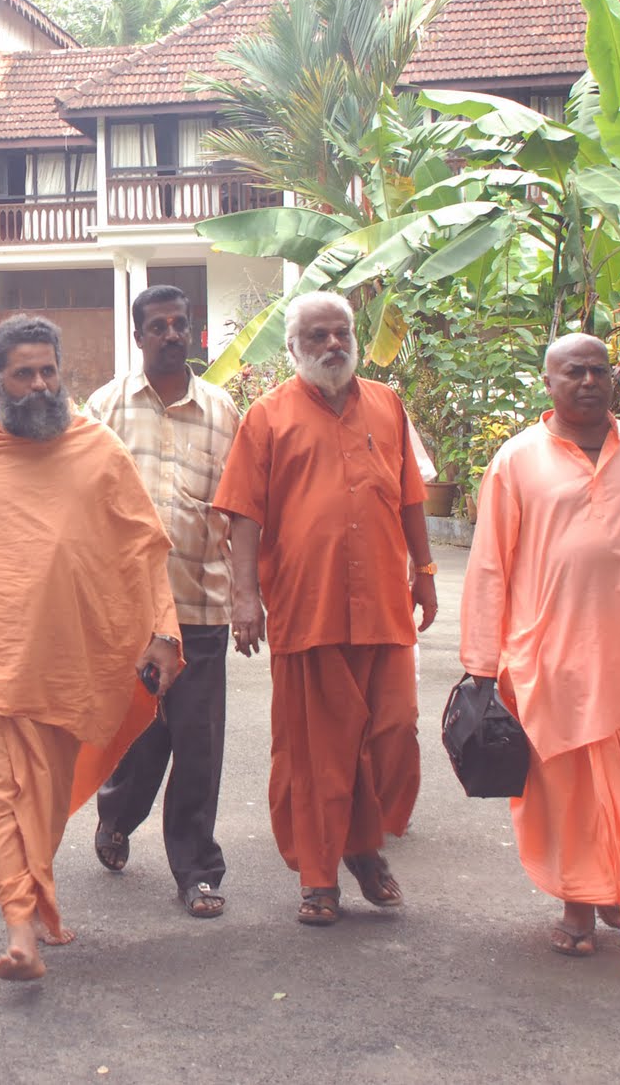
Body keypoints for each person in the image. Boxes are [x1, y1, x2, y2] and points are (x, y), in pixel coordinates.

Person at [0, 314, 182, 981]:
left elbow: (141, 547)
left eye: (47, 371)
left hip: (76, 663)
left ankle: (39, 898)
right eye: (22, 374)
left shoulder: (94, 446)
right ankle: (20, 929)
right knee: (0, 797)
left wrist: (165, 631)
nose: (37, 384)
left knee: (48, 800)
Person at [460, 333, 620, 963]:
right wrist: (481, 664)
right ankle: (582, 901)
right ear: (548, 382)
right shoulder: (517, 460)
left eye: (600, 371)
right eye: (574, 372)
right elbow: (491, 563)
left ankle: (606, 882)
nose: (589, 381)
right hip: (552, 656)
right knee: (570, 788)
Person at [213, 291, 436, 928]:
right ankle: (322, 878)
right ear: (293, 348)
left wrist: (424, 574)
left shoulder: (388, 404)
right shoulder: (268, 415)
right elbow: (245, 514)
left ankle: (364, 845)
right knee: (318, 752)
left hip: (384, 604)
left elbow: (412, 497)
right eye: (317, 336)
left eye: (340, 333)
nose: (332, 344)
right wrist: (244, 598)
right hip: (306, 605)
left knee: (390, 732)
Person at [88, 286, 241, 919]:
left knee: (199, 744)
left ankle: (197, 869)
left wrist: (253, 592)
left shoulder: (223, 410)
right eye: (159, 326)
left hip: (202, 603)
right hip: (129, 613)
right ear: (139, 336)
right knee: (142, 739)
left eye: (181, 324)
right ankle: (117, 816)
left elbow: (242, 507)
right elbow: (85, 501)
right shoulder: (107, 407)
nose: (172, 334)